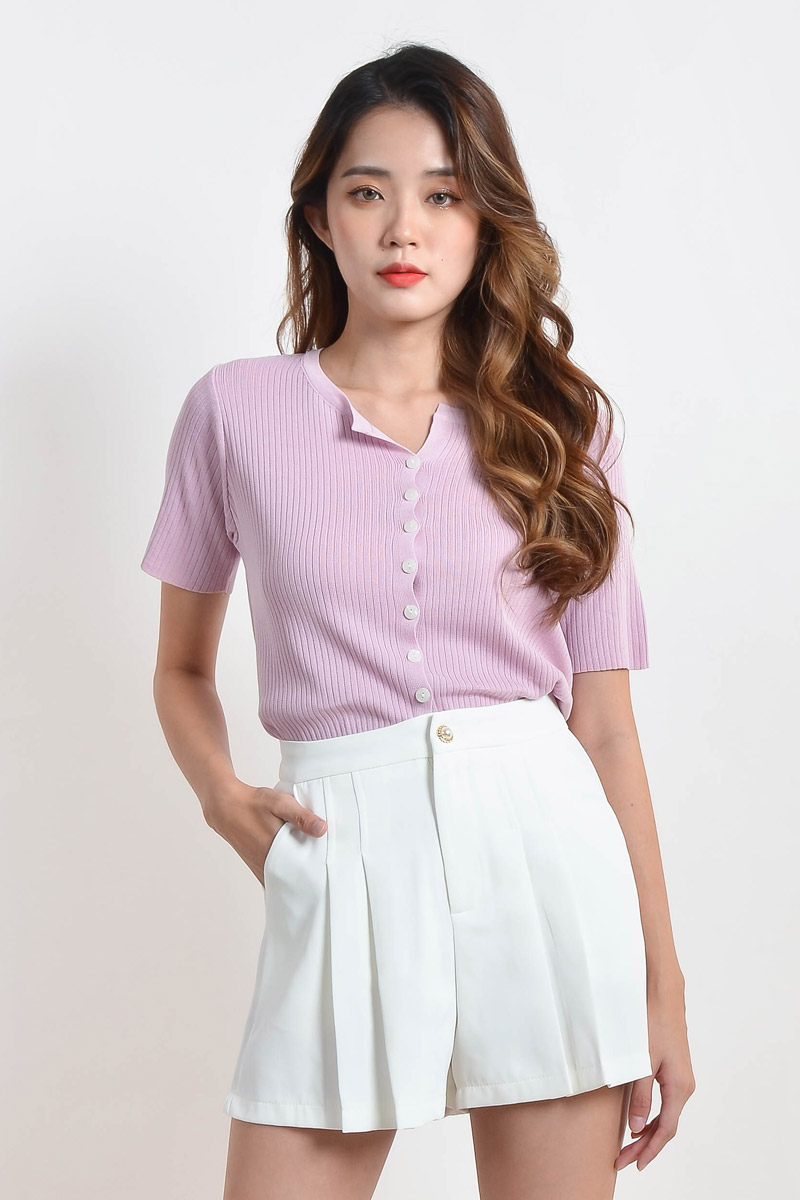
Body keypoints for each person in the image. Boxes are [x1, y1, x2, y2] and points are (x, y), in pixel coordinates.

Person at [141, 41, 694, 1200]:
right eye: (367, 192)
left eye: (442, 196)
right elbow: (181, 668)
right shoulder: (234, 413)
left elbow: (602, 726)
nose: (404, 228)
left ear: (485, 222)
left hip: (544, 861)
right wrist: (221, 796)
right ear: (320, 216)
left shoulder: (561, 428)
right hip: (338, 851)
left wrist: (663, 986)